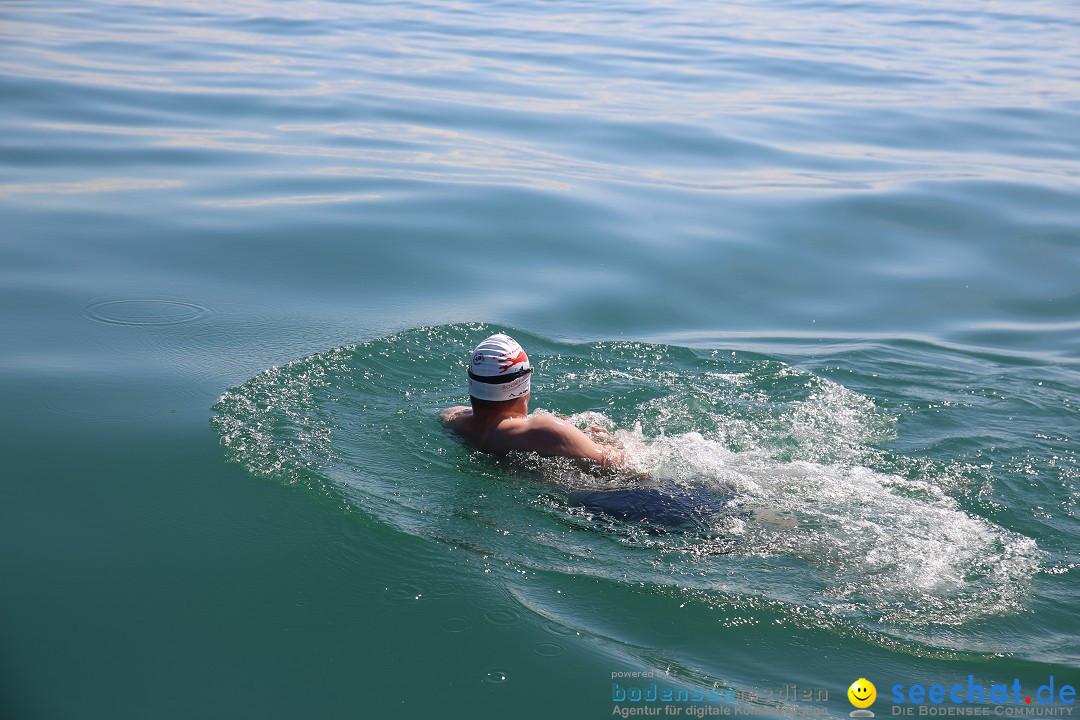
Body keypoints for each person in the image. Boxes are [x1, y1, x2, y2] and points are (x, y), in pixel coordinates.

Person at [440, 333, 623, 469]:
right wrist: (613, 442)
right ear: (522, 385)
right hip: (606, 502)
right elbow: (621, 463)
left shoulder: (451, 418)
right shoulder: (546, 429)